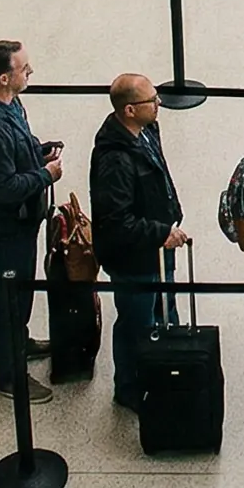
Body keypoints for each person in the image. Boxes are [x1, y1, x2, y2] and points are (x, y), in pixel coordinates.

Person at [0, 39, 59, 404]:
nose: (30, 72)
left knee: (21, 293)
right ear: (4, 77)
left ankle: (20, 341)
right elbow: (3, 189)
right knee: (9, 301)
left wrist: (37, 152)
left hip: (21, 220)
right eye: (24, 68)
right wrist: (46, 175)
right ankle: (10, 374)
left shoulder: (10, 103)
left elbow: (19, 150)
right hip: (6, 227)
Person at [90, 70, 190, 414]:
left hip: (159, 247)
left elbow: (157, 172)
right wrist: (161, 232)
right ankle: (129, 388)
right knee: (136, 323)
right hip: (134, 257)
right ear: (129, 110)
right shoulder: (114, 160)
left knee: (166, 308)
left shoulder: (146, 130)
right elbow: (118, 222)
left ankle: (167, 366)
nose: (159, 103)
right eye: (151, 100)